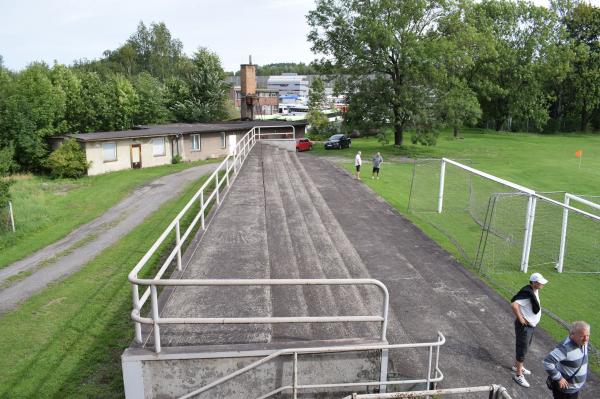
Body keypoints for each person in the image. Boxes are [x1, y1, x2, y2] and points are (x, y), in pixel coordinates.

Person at [511, 272, 548, 388]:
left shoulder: (534, 291)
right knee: (522, 348)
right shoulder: (527, 293)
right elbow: (514, 305)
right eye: (540, 282)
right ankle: (518, 375)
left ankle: (518, 366)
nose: (542, 284)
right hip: (525, 327)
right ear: (534, 283)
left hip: (530, 326)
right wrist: (521, 318)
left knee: (526, 347)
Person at [543, 321, 590, 398]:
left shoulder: (583, 342)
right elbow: (547, 362)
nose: (586, 339)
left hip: (575, 389)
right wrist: (559, 378)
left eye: (588, 335)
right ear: (572, 334)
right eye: (582, 336)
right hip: (566, 391)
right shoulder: (565, 348)